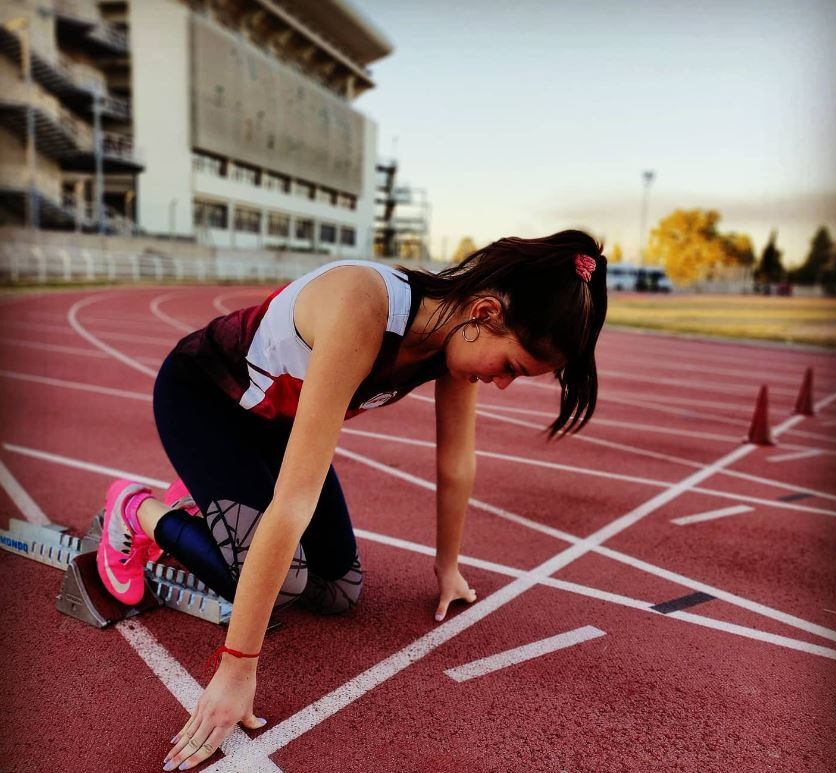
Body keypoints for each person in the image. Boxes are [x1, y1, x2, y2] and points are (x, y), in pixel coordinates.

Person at [96, 229, 607, 771]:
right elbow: (292, 505)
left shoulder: (456, 341)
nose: (502, 383)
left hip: (279, 429)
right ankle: (135, 510)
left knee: (339, 592)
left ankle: (216, 502)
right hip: (208, 401)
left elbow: (456, 463)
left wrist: (448, 567)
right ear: (484, 311)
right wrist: (237, 669)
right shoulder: (363, 306)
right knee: (282, 584)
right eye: (511, 367)